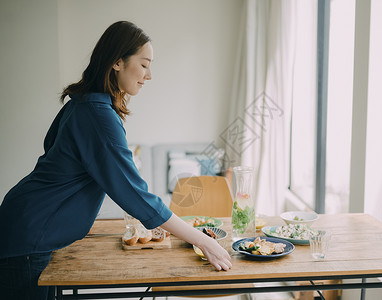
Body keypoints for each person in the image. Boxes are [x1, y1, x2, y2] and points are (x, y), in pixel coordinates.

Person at [0, 20, 232, 300]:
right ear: (117, 62)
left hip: (25, 224)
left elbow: (51, 148)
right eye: (144, 64)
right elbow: (135, 194)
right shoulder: (98, 115)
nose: (149, 75)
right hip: (29, 238)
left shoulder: (82, 102)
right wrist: (202, 240)